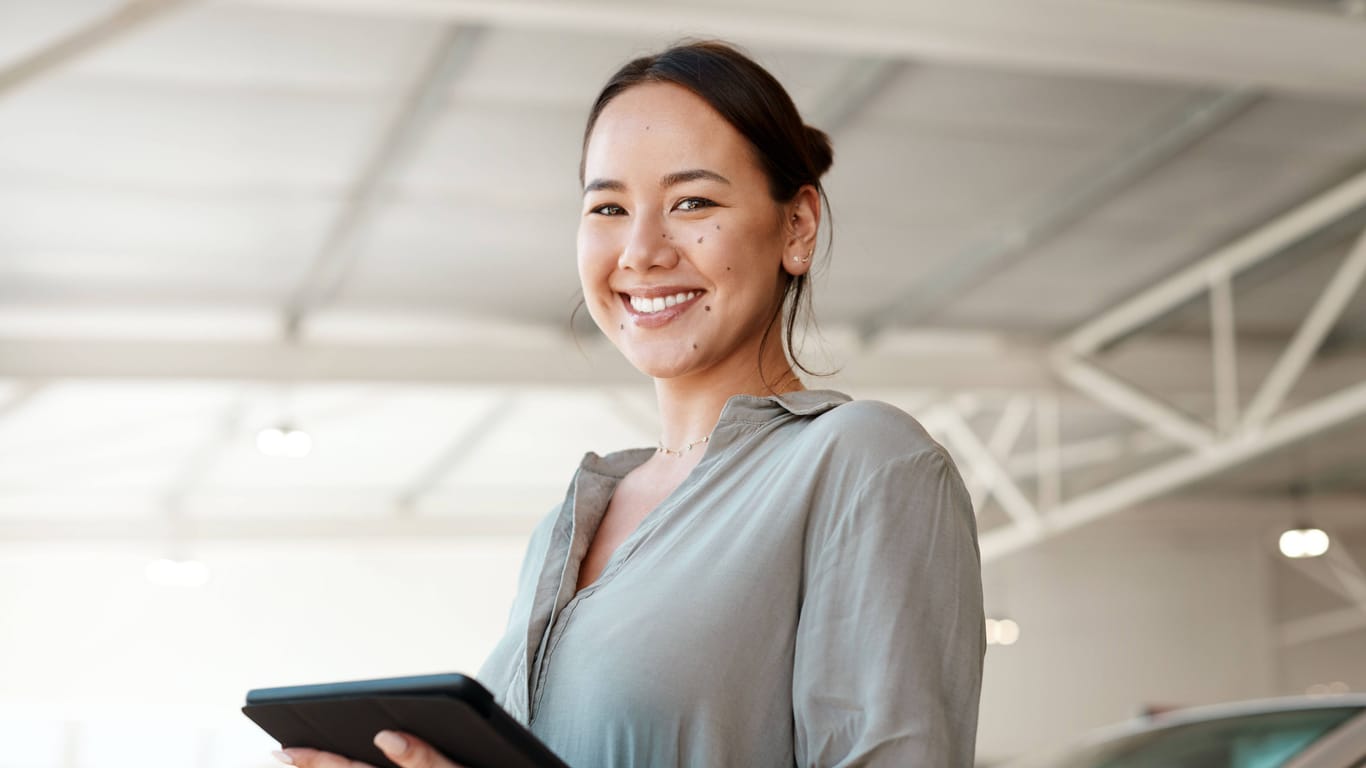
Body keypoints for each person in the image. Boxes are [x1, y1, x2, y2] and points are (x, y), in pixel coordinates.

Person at [278, 40, 984, 768]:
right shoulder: (567, 525)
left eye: (693, 202)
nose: (641, 251)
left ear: (797, 227)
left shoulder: (864, 462)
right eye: (609, 207)